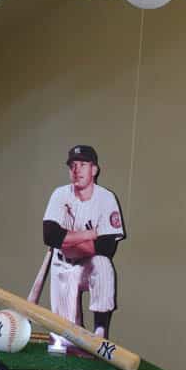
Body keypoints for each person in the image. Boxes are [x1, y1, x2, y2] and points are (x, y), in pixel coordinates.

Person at [42, 145, 125, 348]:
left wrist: (69, 243)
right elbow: (50, 235)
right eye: (72, 165)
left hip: (89, 264)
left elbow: (107, 247)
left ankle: (100, 332)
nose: (76, 170)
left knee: (103, 264)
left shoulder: (106, 198)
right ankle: (76, 338)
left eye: (82, 164)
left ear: (94, 169)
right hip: (62, 266)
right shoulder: (60, 194)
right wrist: (89, 235)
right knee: (66, 340)